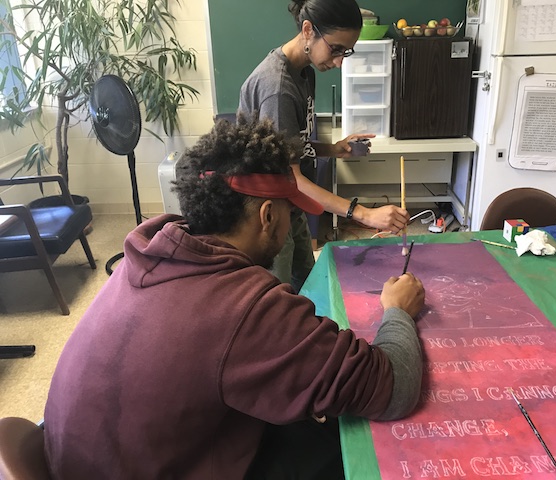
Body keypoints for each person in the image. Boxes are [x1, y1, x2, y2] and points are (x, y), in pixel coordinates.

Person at [43, 115, 426, 480]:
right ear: (266, 216)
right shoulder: (246, 306)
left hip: (80, 462)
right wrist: (397, 312)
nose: (291, 222)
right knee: (338, 438)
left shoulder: (149, 252)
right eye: (289, 211)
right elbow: (395, 387)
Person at [239, 0, 409, 292]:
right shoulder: (278, 88)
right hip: (265, 213)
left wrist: (335, 149)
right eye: (336, 48)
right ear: (308, 31)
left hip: (290, 203)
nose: (341, 60)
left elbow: (293, 143)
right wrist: (365, 214)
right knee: (275, 299)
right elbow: (292, 178)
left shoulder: (304, 72)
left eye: (347, 51)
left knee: (309, 284)